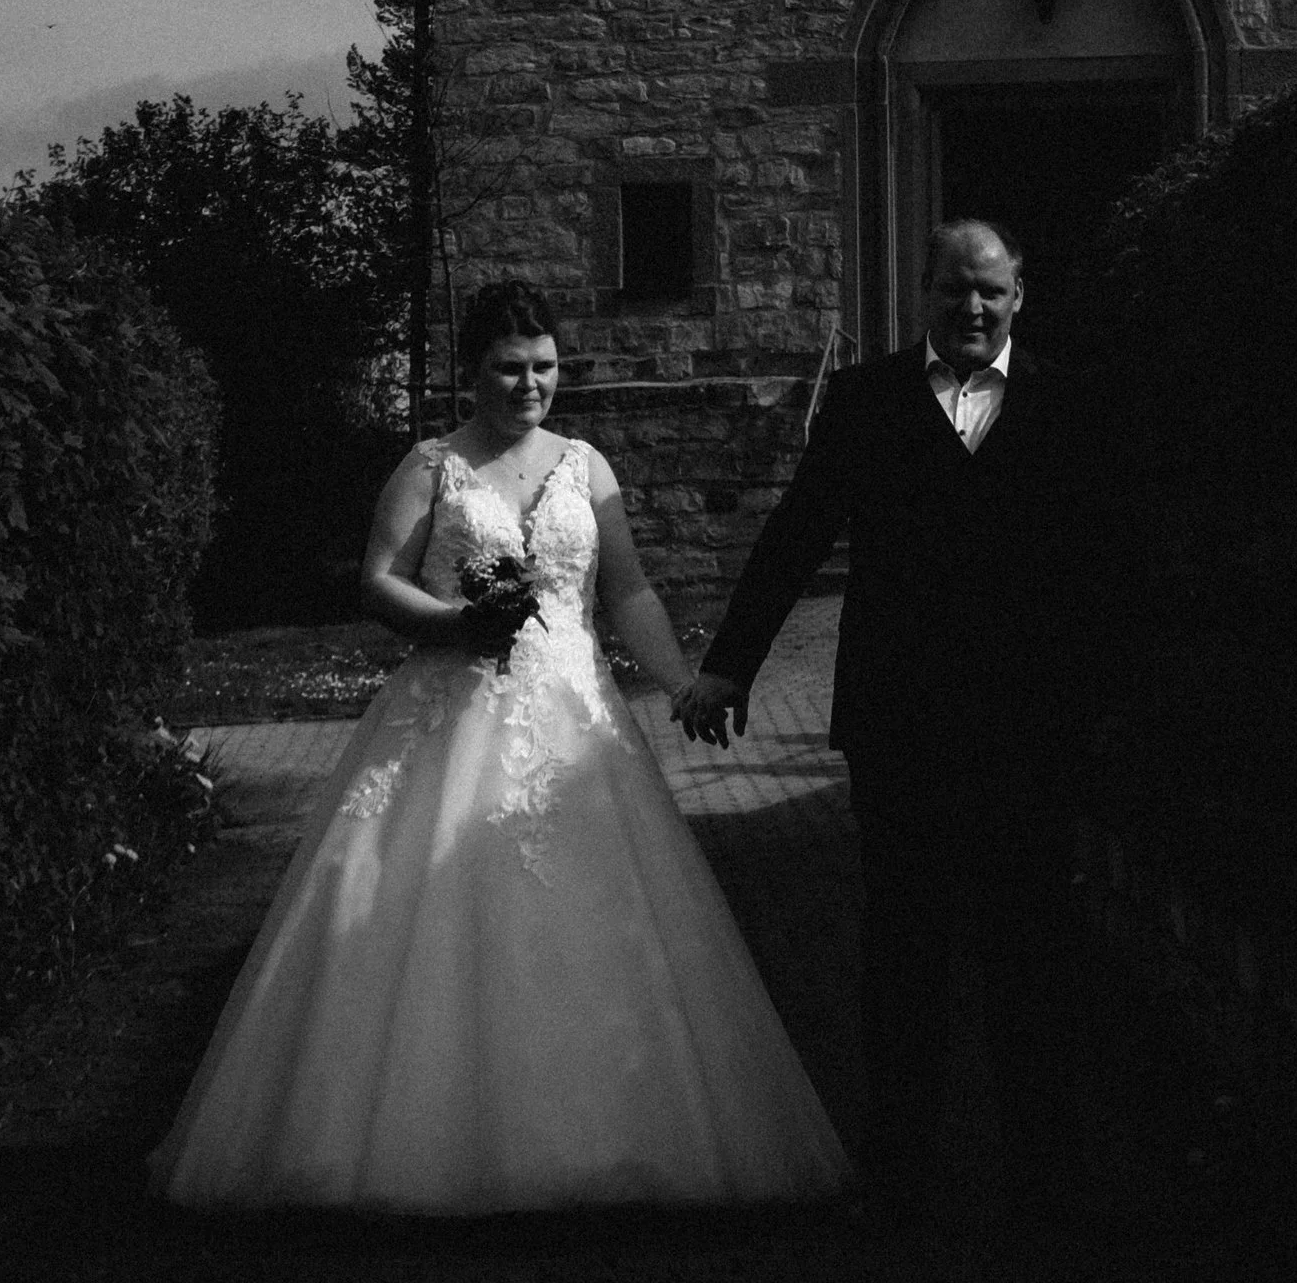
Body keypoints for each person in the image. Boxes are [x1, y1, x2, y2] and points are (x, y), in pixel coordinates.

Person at [149, 287, 847, 1214]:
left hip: (574, 715)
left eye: (546, 367)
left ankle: (610, 1139)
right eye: (512, 368)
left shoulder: (586, 466)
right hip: (451, 708)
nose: (532, 385)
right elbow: (378, 582)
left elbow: (627, 590)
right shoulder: (431, 465)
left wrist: (681, 680)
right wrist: (455, 624)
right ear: (472, 373)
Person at [677, 218, 1086, 1227]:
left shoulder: (1069, 405)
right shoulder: (865, 404)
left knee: (1027, 946)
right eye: (954, 289)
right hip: (901, 722)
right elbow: (795, 533)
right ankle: (902, 1159)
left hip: (1028, 729)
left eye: (990, 290)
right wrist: (732, 665)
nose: (972, 307)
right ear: (924, 294)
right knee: (903, 944)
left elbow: (1102, 564)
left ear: (1019, 296)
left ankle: (1043, 1168)